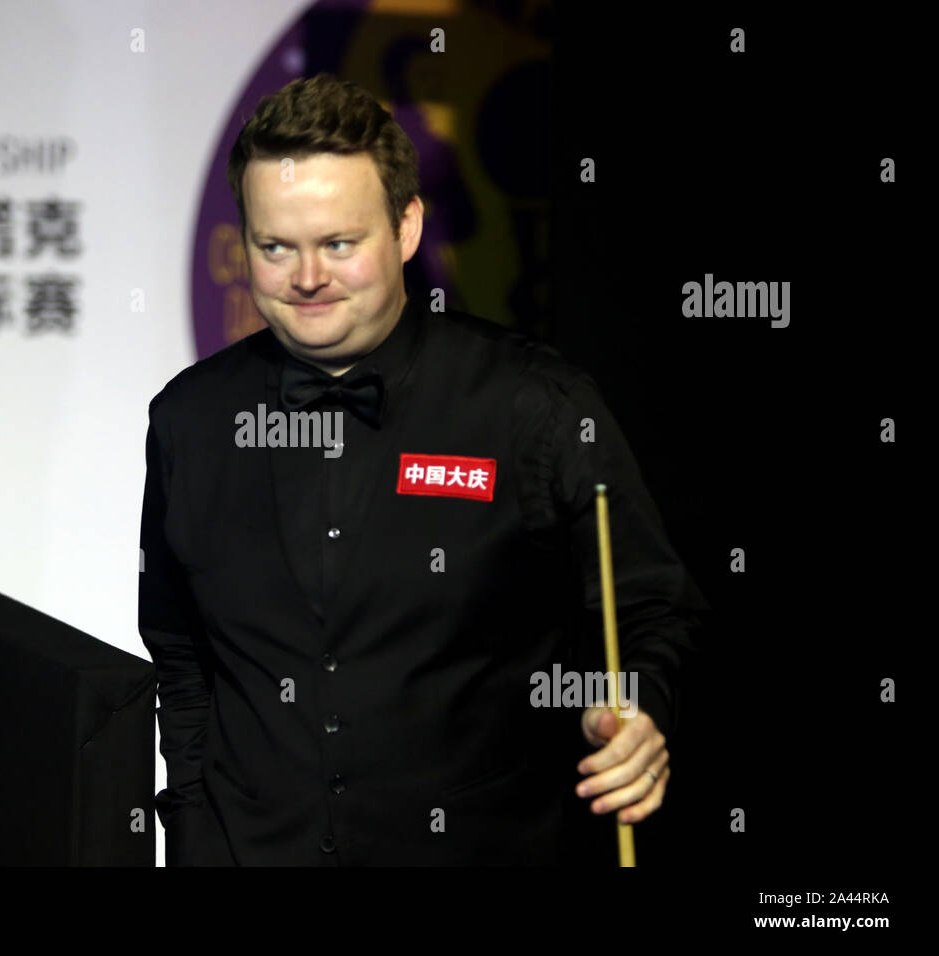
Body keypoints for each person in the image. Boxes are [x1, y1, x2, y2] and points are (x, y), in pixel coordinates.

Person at [138, 73, 710, 865]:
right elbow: (178, 649)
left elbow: (650, 607)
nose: (307, 277)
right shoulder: (187, 421)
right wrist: (193, 816)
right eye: (276, 247)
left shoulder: (531, 407)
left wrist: (638, 708)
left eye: (339, 243)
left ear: (406, 227)